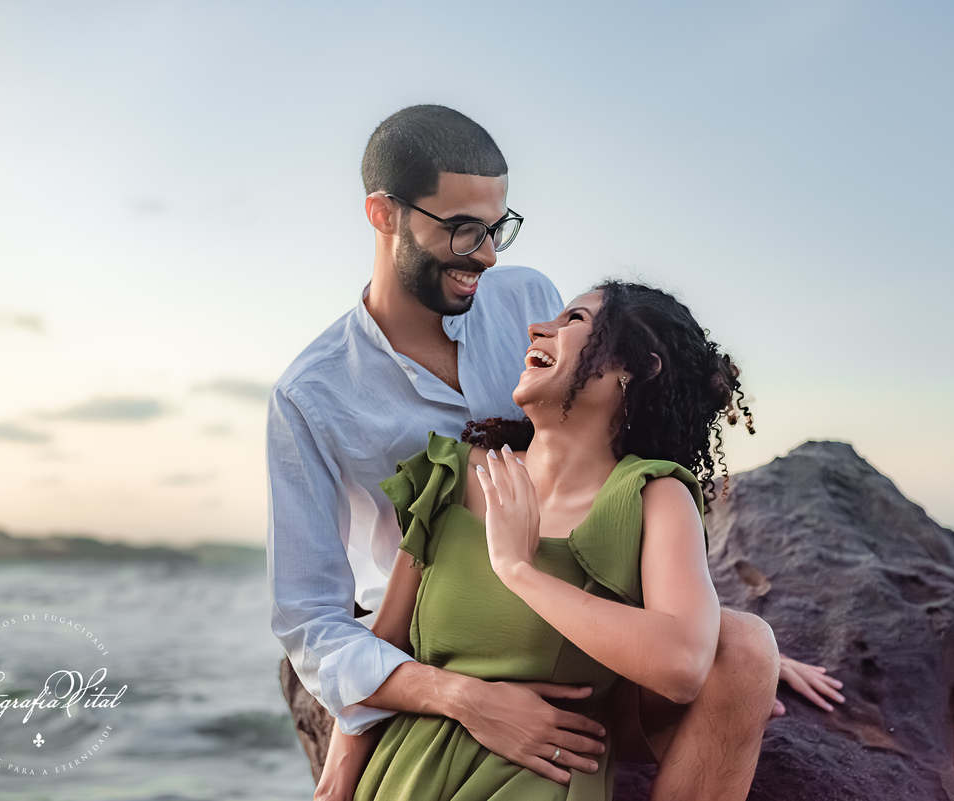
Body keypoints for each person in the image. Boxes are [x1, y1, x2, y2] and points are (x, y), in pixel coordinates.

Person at [267, 105, 844, 801]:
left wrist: (695, 618)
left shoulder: (522, 300)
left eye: (497, 226)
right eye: (462, 230)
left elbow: (597, 448)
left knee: (746, 647)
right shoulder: (312, 396)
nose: (487, 254)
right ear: (385, 215)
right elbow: (311, 621)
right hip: (436, 633)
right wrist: (452, 699)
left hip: (576, 621)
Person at [326, 280, 774, 801]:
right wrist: (333, 786)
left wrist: (520, 571)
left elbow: (683, 665)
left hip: (542, 780)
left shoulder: (653, 495)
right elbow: (384, 645)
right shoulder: (452, 474)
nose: (541, 329)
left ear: (638, 367)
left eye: (575, 321)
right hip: (408, 772)